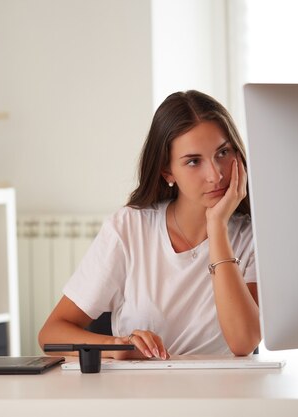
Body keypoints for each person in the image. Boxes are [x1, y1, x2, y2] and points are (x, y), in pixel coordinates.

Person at [38, 90, 261, 359]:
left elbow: (243, 342)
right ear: (167, 171)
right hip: (140, 393)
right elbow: (51, 334)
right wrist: (118, 346)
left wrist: (217, 228)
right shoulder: (130, 227)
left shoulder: (253, 235)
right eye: (193, 161)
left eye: (223, 152)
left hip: (223, 393)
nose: (216, 174)